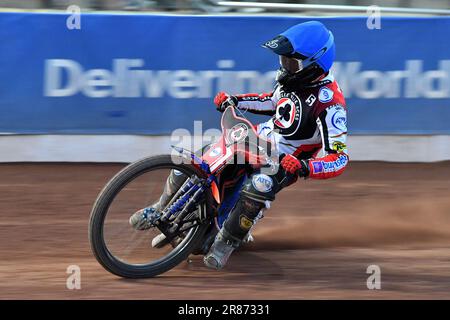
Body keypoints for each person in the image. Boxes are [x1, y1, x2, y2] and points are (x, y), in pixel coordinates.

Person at [130, 21, 349, 270]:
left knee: (260, 185)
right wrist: (236, 101)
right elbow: (270, 101)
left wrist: (302, 166)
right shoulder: (292, 81)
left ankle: (225, 243)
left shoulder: (330, 105)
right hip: (256, 140)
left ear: (314, 65)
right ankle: (160, 207)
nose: (285, 67)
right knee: (197, 159)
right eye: (284, 61)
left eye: (292, 63)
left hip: (282, 162)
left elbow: (339, 159)